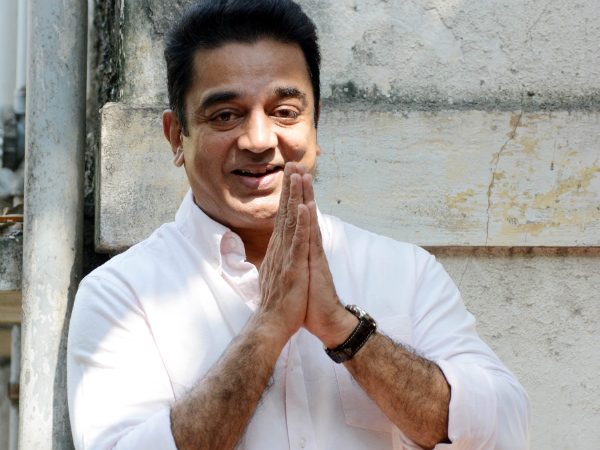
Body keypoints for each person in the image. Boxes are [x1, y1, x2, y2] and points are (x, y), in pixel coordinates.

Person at [67, 1, 531, 449]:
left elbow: (504, 432)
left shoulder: (405, 271)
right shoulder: (122, 296)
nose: (258, 140)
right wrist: (266, 330)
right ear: (176, 137)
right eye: (225, 115)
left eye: (285, 112)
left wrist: (347, 331)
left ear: (315, 124)